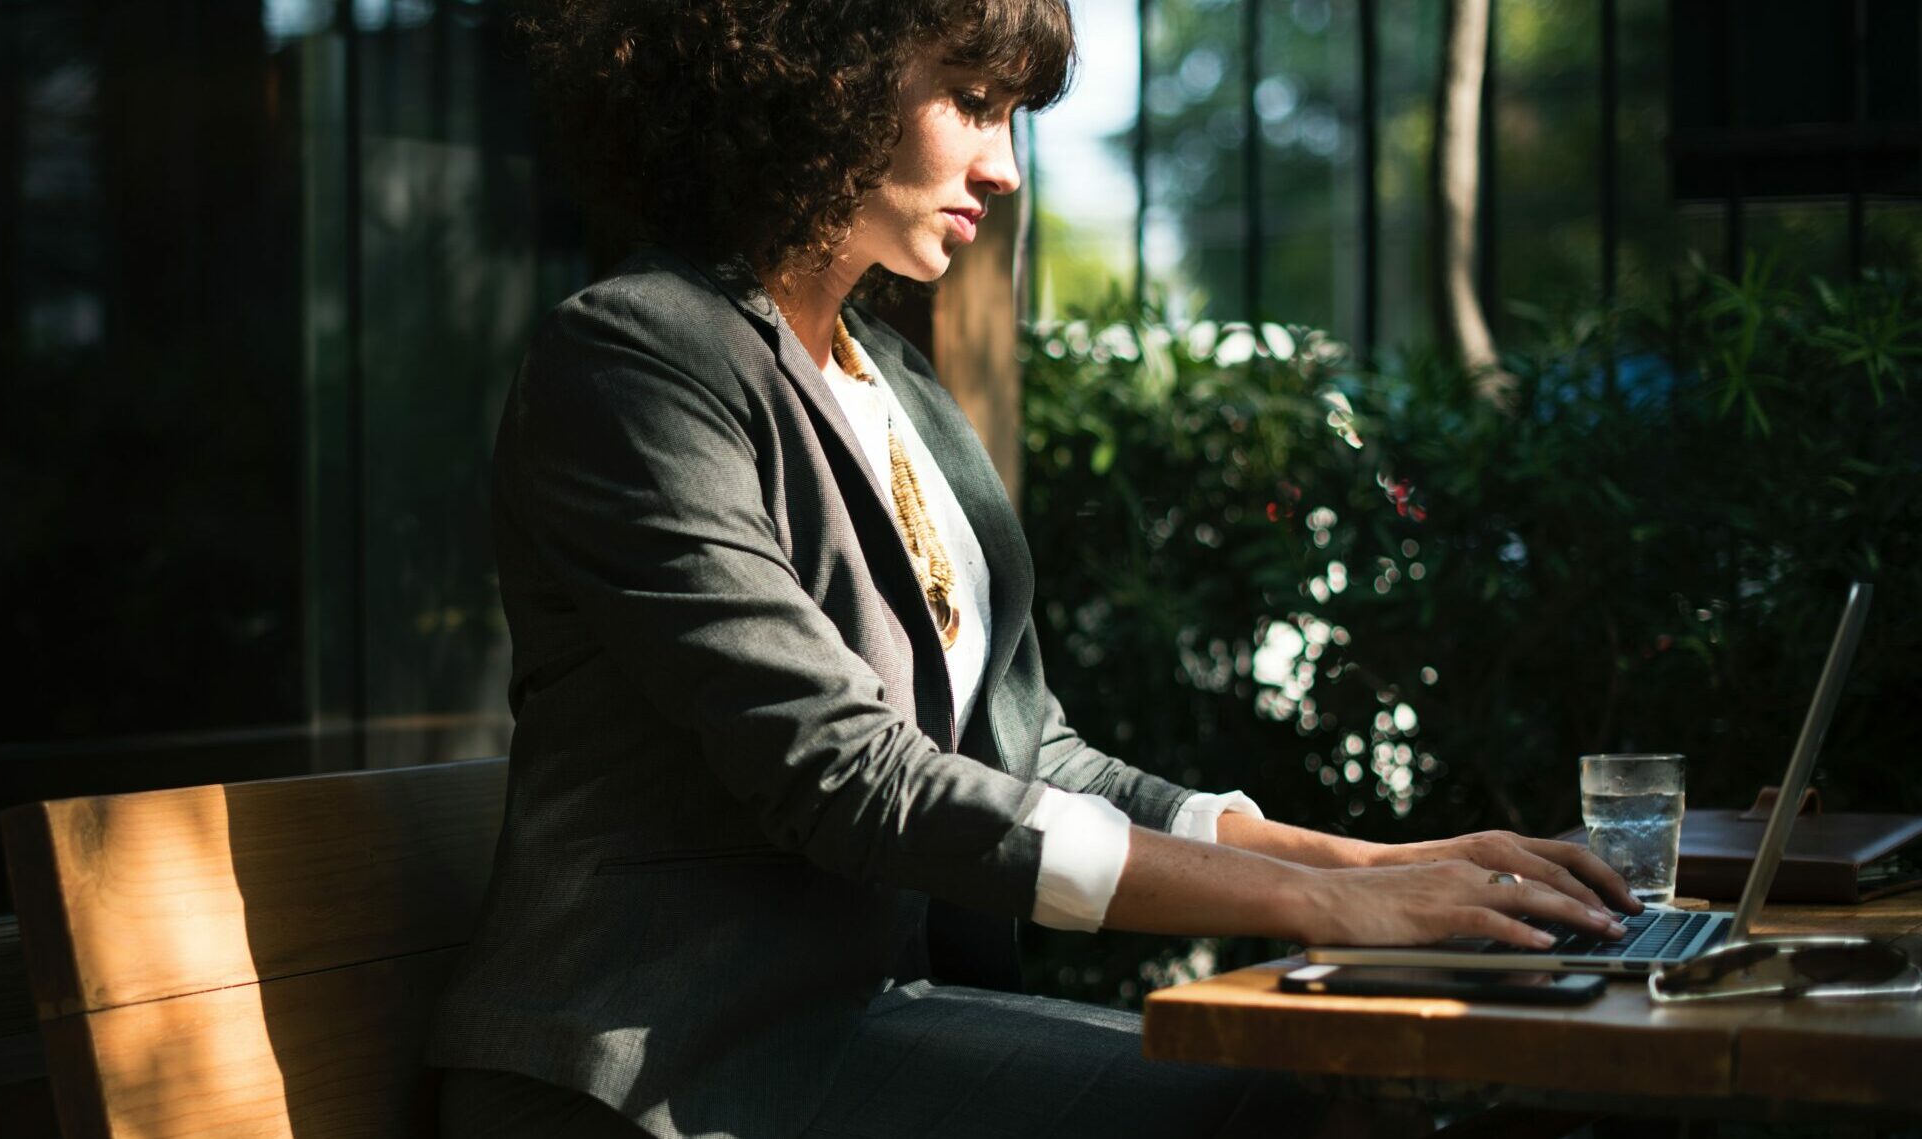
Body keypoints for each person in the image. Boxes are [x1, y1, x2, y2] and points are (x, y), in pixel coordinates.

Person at [426, 1, 1641, 1136]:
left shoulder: (889, 385)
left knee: (1315, 1077)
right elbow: (848, 776)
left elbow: (1028, 750)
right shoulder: (637, 357)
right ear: (818, 75)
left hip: (849, 1025)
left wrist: (1375, 864)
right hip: (657, 1066)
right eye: (969, 98)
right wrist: (1331, 910)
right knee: (1272, 1101)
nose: (1003, 168)